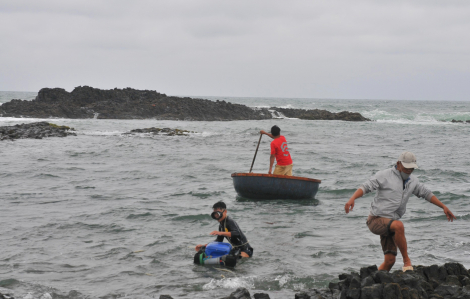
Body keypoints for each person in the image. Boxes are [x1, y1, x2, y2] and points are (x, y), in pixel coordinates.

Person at [344, 151, 456, 272]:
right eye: (407, 167)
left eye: (412, 168)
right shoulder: (384, 175)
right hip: (375, 220)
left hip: (391, 223)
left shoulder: (413, 181)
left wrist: (443, 207)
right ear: (398, 163)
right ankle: (407, 261)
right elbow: (366, 186)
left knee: (390, 260)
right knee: (399, 226)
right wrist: (352, 198)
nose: (409, 170)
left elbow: (426, 193)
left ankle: (374, 280)